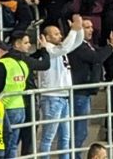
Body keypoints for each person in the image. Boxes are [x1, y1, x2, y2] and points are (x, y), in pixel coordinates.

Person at [0, 36, 50, 159]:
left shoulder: (0, 64)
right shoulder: (21, 63)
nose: (29, 45)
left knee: (6, 145)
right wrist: (42, 50)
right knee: (14, 145)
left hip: (7, 107)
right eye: (26, 43)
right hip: (21, 106)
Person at [37, 16, 86, 159]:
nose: (60, 36)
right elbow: (64, 47)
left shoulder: (59, 50)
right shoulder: (47, 50)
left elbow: (76, 43)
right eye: (56, 34)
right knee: (48, 137)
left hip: (64, 97)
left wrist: (79, 29)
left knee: (65, 137)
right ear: (46, 37)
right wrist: (73, 31)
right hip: (51, 97)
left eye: (60, 33)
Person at [70, 19, 113, 151]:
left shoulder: (88, 45)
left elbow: (98, 53)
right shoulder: (78, 46)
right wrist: (112, 45)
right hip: (79, 93)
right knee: (79, 132)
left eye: (91, 27)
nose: (91, 30)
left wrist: (112, 46)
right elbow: (96, 58)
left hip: (85, 93)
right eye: (87, 27)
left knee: (82, 132)